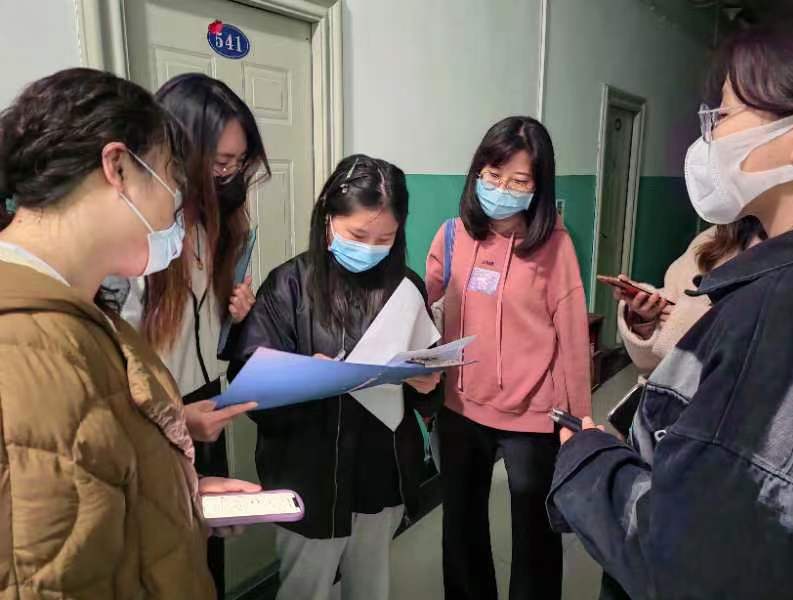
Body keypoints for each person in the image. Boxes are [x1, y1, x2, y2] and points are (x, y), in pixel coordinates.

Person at [548, 21, 793, 599]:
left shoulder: (776, 309)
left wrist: (591, 459)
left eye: (725, 114)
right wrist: (647, 319)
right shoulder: (731, 254)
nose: (708, 137)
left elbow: (687, 552)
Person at [0, 68, 259, 599]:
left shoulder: (86, 315)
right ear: (118, 167)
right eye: (171, 176)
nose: (178, 204)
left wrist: (180, 498)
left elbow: (95, 500)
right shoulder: (24, 349)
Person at [226, 154, 440, 600]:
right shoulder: (288, 285)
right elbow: (250, 382)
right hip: (310, 474)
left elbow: (426, 373)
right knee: (306, 588)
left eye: (385, 238)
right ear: (328, 219)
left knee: (371, 586)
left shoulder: (406, 287)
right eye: (358, 235)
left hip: (381, 470)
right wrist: (307, 377)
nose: (371, 247)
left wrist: (426, 386)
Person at [426, 116, 591, 600]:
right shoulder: (452, 236)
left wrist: (578, 422)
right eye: (493, 176)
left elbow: (572, 337)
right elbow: (419, 310)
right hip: (460, 407)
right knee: (461, 529)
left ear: (538, 188)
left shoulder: (556, 247)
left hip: (534, 413)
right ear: (477, 172)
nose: (501, 190)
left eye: (519, 181)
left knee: (537, 536)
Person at [117, 73, 269, 596]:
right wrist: (175, 418)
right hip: (151, 412)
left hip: (206, 401)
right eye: (220, 161)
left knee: (208, 555)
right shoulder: (140, 233)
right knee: (164, 560)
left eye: (238, 162)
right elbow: (116, 360)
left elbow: (207, 329)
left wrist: (237, 315)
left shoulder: (220, 222)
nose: (229, 174)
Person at [616, 216, 765, 376]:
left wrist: (705, 327)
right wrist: (647, 320)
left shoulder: (783, 255)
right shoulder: (711, 238)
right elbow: (654, 361)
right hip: (675, 385)